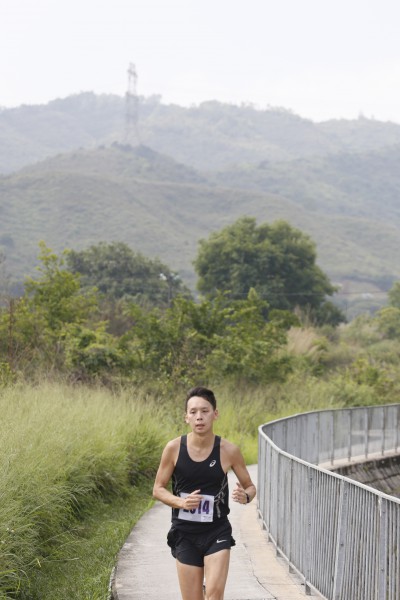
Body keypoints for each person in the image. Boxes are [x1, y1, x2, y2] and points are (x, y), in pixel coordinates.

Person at [153, 386, 256, 600]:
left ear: (215, 414)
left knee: (214, 594)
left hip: (217, 531)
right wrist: (181, 503)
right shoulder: (173, 448)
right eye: (193, 412)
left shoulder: (229, 451)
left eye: (204, 411)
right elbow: (158, 489)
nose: (199, 417)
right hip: (184, 533)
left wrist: (245, 496)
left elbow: (250, 487)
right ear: (186, 417)